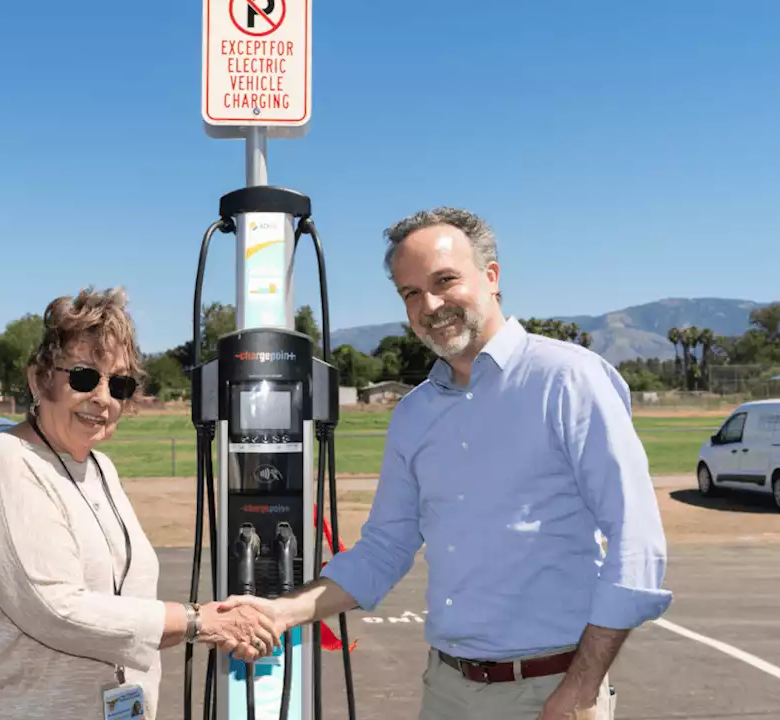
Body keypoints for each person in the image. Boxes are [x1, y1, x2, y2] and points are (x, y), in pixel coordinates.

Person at [221, 208, 673, 719]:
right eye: (410, 293)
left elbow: (639, 544)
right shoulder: (414, 414)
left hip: (550, 690)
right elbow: (384, 549)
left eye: (444, 281)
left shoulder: (568, 380)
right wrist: (281, 612)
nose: (430, 305)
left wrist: (583, 688)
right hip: (446, 687)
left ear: (492, 276)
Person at [0, 287, 280, 720]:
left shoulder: (101, 468)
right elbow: (56, 609)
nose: (103, 398)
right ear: (39, 378)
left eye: (118, 384)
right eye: (84, 377)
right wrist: (198, 621)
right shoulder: (8, 461)